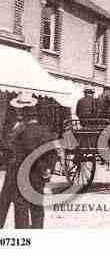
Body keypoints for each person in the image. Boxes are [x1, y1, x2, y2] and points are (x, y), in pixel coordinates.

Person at [0, 92, 56, 229]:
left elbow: (17, 151)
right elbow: (52, 153)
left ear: (22, 113)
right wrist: (48, 169)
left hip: (20, 174)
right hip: (39, 177)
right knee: (37, 207)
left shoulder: (19, 131)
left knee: (21, 207)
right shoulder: (45, 131)